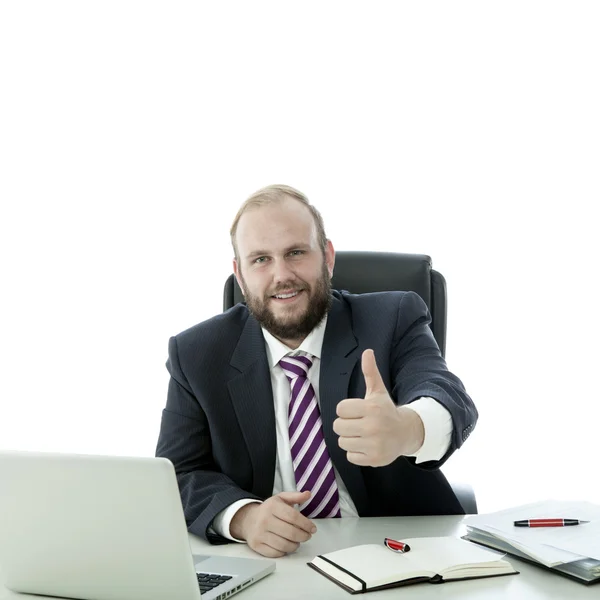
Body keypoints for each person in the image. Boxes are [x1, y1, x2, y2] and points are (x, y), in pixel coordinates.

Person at [156, 184, 478, 558]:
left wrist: (406, 429)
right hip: (273, 561)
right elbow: (177, 473)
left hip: (399, 554)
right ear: (240, 276)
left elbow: (449, 397)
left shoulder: (393, 317)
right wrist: (244, 518)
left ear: (327, 257)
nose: (282, 275)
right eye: (260, 259)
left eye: (295, 252)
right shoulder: (196, 353)